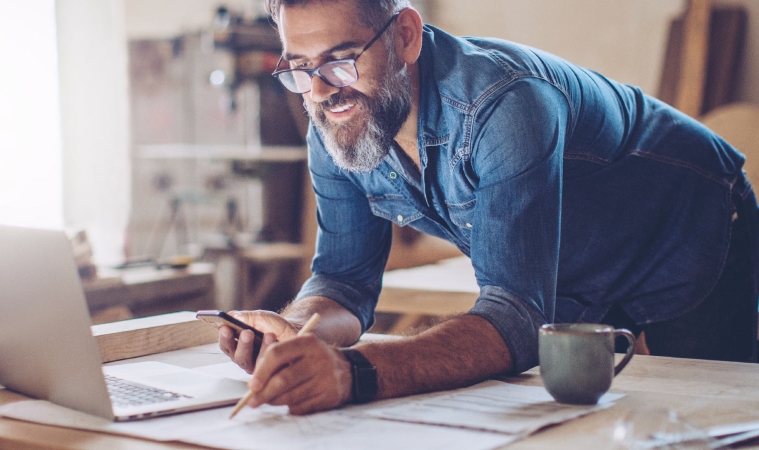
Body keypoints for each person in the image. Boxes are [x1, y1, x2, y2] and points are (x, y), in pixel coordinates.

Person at [218, 0, 759, 415]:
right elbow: (342, 281)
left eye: (340, 62)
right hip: (573, 269)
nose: (319, 91)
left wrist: (352, 373)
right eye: (299, 69)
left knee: (702, 419)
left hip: (690, 229)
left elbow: (515, 318)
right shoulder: (335, 124)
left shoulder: (505, 104)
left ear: (405, 36)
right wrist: (292, 333)